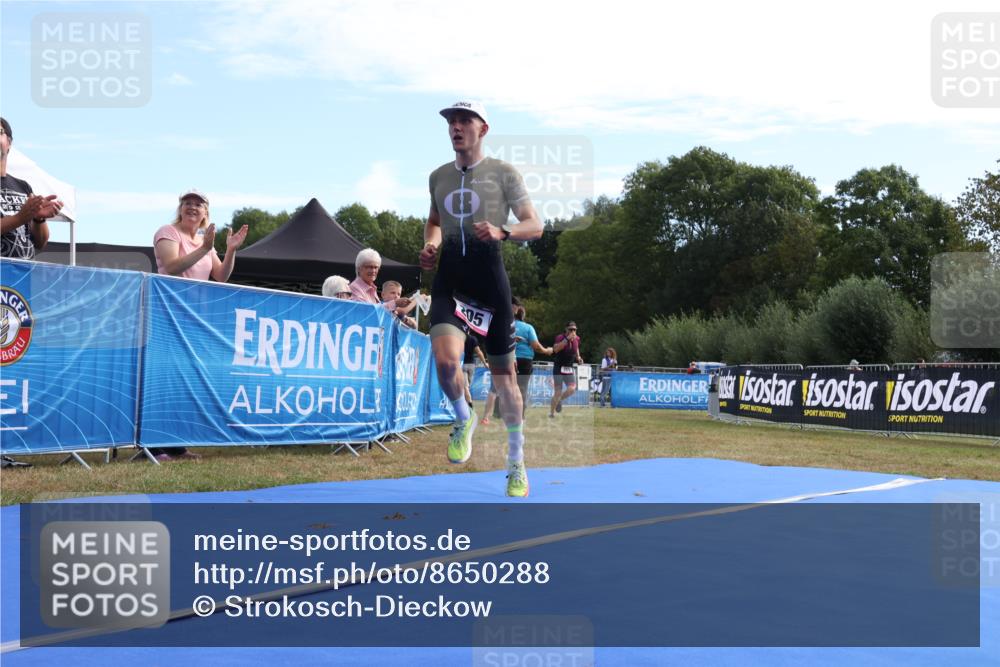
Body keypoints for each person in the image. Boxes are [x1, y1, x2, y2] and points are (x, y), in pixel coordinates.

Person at [420, 100, 543, 497]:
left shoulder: (504, 173)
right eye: (451, 122)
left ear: (482, 129)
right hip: (450, 282)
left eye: (464, 121)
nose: (455, 127)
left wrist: (503, 231)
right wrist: (431, 245)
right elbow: (434, 221)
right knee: (444, 362)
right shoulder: (438, 176)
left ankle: (516, 462)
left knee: (506, 383)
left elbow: (535, 225)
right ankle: (463, 417)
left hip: (490, 286)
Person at [151, 189, 248, 461]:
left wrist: (230, 250)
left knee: (184, 383)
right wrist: (204, 249)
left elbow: (221, 276)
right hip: (168, 316)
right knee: (164, 382)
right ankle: (154, 447)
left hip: (193, 320)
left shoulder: (206, 243)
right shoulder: (168, 232)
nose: (192, 207)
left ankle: (176, 446)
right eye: (187, 203)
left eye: (198, 204)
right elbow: (171, 266)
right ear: (180, 208)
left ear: (206, 212)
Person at [1, 117, 63, 259]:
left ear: (9, 143)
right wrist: (19, 218)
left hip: (24, 271)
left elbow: (40, 243)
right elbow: (20, 218)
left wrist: (38, 219)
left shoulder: (23, 186)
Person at [483, 304, 552, 423]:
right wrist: (546, 351)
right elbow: (536, 346)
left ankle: (498, 413)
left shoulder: (504, 325)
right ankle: (521, 415)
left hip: (506, 358)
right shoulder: (528, 328)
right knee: (522, 388)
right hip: (525, 360)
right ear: (523, 315)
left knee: (502, 386)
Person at [549, 322, 583, 418]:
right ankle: (551, 413)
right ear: (566, 329)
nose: (573, 331)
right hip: (558, 368)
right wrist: (567, 339)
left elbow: (576, 348)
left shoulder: (577, 338)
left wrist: (579, 357)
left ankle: (559, 400)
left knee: (572, 389)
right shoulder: (560, 337)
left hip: (569, 368)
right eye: (570, 329)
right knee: (557, 392)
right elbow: (555, 349)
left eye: (574, 329)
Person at [462, 334, 487, 408]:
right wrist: (485, 363)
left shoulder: (459, 337)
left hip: (462, 364)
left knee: (465, 387)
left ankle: (469, 404)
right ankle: (467, 403)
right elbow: (479, 352)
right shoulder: (473, 339)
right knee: (467, 386)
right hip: (471, 365)